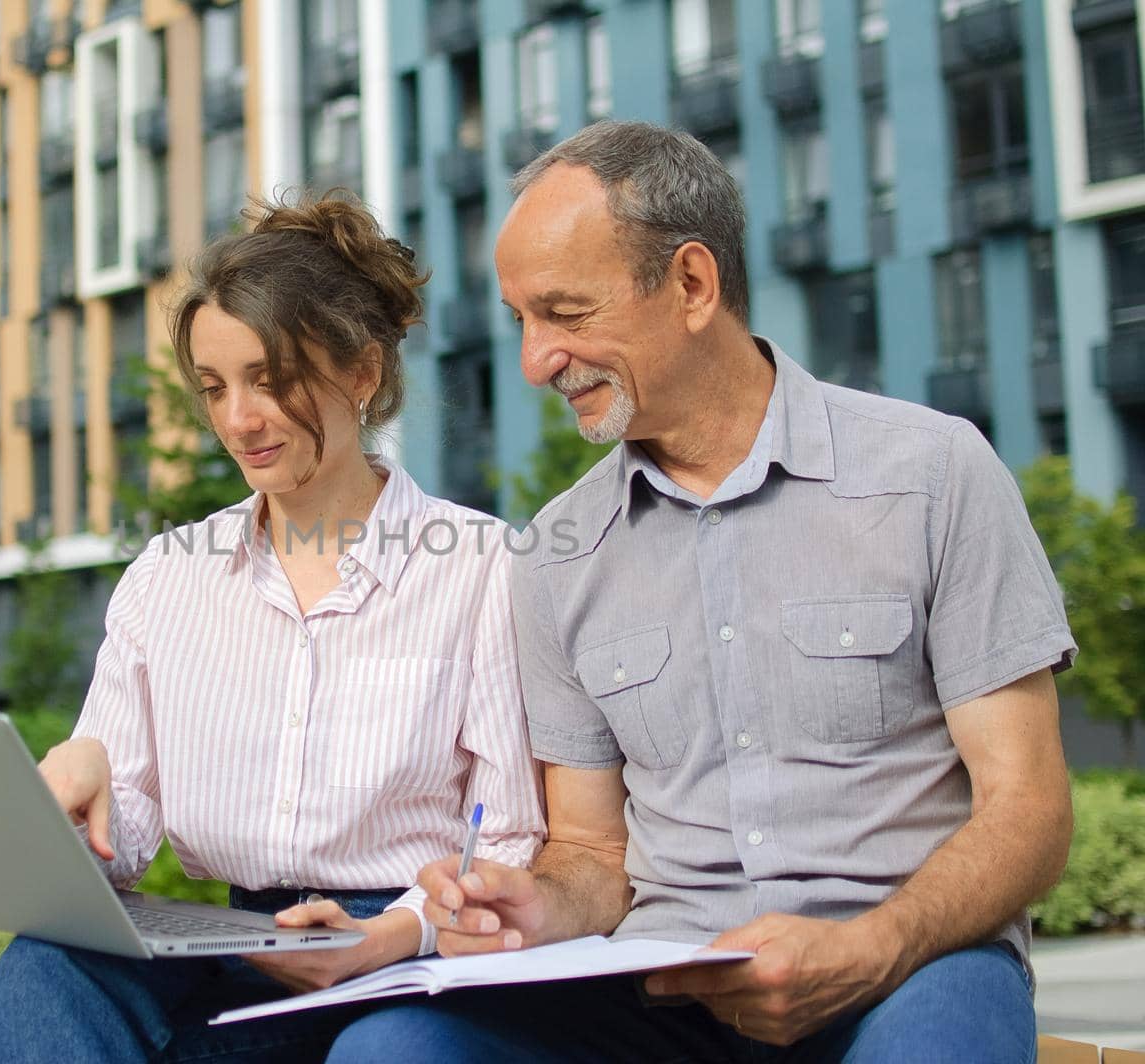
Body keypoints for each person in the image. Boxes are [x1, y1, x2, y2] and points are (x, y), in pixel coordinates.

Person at [327, 121, 1076, 1063]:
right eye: (522, 319)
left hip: (907, 965)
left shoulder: (932, 473)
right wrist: (534, 904)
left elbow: (1031, 808)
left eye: (564, 311)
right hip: (667, 992)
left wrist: (873, 947)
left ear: (690, 284)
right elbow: (594, 858)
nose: (535, 361)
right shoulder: (557, 551)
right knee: (394, 1049)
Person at [0, 192, 544, 1063]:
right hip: (231, 941)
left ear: (361, 374)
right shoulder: (169, 576)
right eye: (215, 387)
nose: (238, 419)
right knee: (45, 974)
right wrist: (82, 811)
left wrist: (398, 933)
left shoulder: (482, 567)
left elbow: (510, 836)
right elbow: (133, 820)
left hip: (406, 954)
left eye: (272, 379)